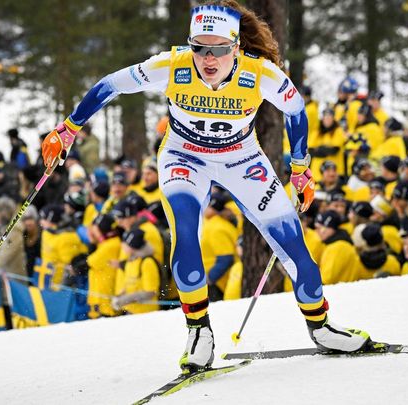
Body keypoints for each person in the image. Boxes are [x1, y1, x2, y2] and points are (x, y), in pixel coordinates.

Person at [40, 1, 372, 370]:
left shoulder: (260, 74)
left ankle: (321, 326)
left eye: (219, 49)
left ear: (237, 47)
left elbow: (295, 110)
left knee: (291, 239)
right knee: (185, 227)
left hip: (241, 157)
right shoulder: (173, 65)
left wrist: (300, 169)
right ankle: (199, 330)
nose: (208, 59)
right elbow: (110, 85)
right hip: (184, 156)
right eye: (199, 47)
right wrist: (68, 129)